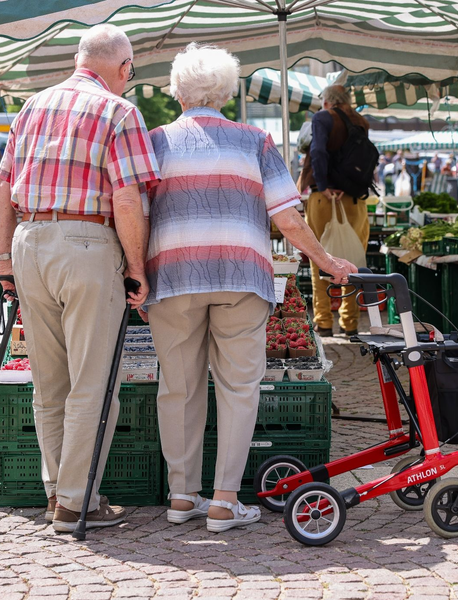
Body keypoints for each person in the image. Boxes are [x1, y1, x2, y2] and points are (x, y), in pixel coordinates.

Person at [143, 44, 356, 532]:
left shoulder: (154, 142)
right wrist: (325, 260)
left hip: (172, 277)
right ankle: (222, 502)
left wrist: (137, 272)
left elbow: (137, 214)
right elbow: (288, 218)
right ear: (227, 92)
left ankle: (181, 497)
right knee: (239, 388)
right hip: (242, 276)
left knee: (177, 388)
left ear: (176, 91)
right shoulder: (256, 142)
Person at [0, 24, 161, 533]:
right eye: (131, 70)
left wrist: (3, 263)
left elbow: (1, 191)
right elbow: (128, 198)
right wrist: (137, 268)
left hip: (29, 242)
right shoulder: (119, 110)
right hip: (86, 243)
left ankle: (56, 492)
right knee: (92, 382)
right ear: (123, 67)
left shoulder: (32, 106)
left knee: (49, 381)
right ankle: (75, 501)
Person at [297, 84, 371, 337]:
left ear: (326, 102)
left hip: (322, 199)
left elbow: (317, 151)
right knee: (352, 261)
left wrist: (325, 183)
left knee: (320, 259)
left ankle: (324, 322)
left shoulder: (322, 118)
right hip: (354, 200)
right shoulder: (360, 121)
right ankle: (350, 324)